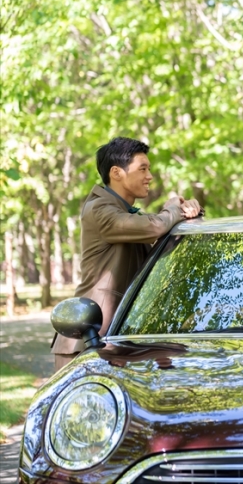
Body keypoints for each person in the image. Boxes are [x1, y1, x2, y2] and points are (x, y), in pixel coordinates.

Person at [51, 137, 203, 371]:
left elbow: (161, 251)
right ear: (116, 173)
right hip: (88, 343)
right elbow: (155, 226)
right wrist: (173, 207)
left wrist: (191, 210)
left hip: (123, 342)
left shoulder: (127, 214)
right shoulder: (100, 210)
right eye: (143, 168)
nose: (149, 176)